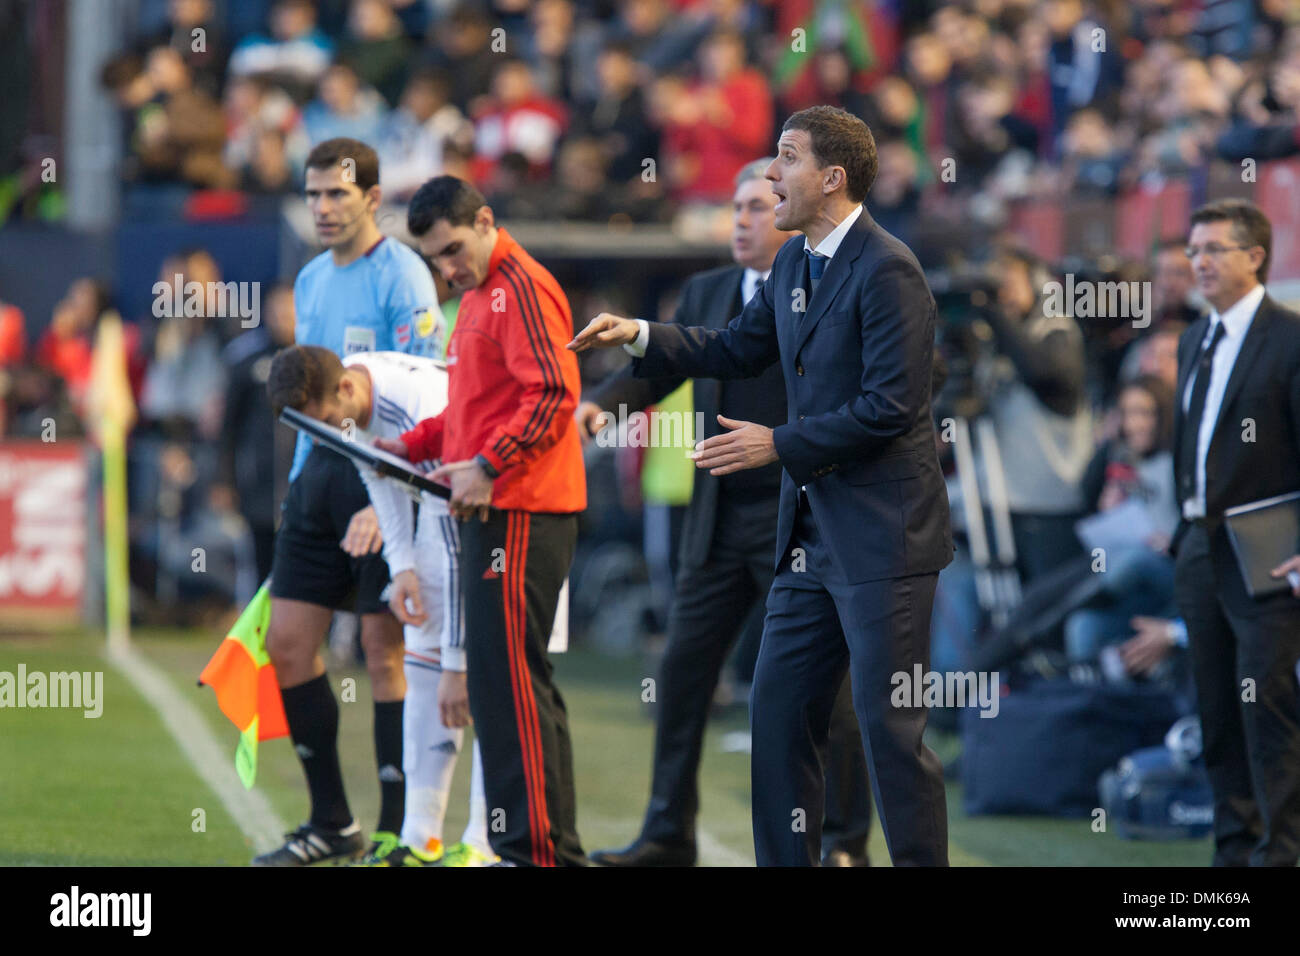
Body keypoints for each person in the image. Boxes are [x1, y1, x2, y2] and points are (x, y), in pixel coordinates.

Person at [571, 106, 954, 866]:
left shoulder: (890, 269)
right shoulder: (792, 264)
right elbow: (737, 348)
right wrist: (641, 335)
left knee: (889, 731)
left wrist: (775, 444)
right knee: (778, 717)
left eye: (785, 158)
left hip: (885, 537)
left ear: (832, 178)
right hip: (807, 541)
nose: (771, 175)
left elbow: (890, 408)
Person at [379, 175, 587, 867]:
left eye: (454, 249)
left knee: (509, 690)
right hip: (501, 504)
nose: (447, 267)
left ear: (487, 220)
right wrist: (409, 446)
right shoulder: (476, 296)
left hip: (519, 507)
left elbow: (555, 393)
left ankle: (530, 852)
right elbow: (473, 410)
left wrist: (488, 466)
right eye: (436, 258)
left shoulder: (519, 285)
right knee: (520, 685)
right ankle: (552, 849)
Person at [252, 137, 441, 866]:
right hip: (319, 479)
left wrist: (382, 493)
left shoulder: (405, 275)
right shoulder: (308, 279)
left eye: (337, 193)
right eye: (312, 195)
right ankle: (333, 822)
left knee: (381, 650)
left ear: (372, 197)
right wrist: (300, 490)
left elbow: (421, 390)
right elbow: (309, 402)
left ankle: (395, 829)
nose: (323, 208)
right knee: (289, 645)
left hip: (384, 468)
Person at [267, 345, 496, 867]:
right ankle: (417, 839)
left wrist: (457, 662)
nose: (321, 433)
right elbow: (379, 474)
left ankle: (488, 843)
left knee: (492, 676)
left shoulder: (420, 407)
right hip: (444, 509)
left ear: (346, 388)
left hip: (497, 513)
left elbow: (456, 529)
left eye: (323, 421)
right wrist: (404, 566)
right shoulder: (352, 402)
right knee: (421, 663)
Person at [1172, 198, 1300, 866]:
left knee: (1267, 709)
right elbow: (1190, 444)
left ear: (1255, 256)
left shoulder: (1290, 335)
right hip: (1198, 545)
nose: (1198, 262)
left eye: (1212, 249)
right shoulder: (1197, 337)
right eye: (1193, 250)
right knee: (1218, 707)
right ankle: (1234, 851)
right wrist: (1180, 529)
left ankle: (1279, 853)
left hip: (1268, 553)